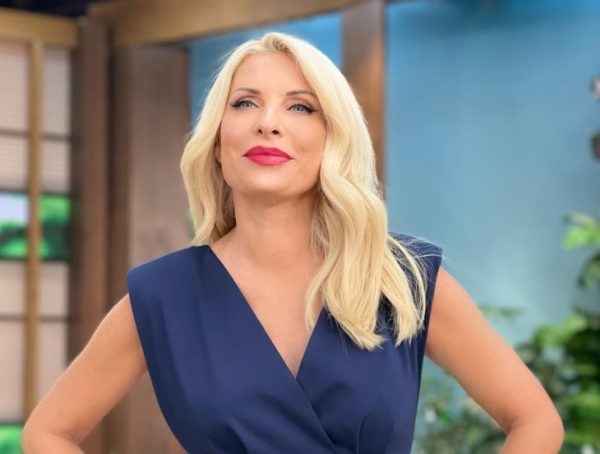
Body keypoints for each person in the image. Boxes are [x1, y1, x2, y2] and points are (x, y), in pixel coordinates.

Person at [22, 32, 564, 453]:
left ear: (332, 139)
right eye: (245, 103)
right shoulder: (163, 296)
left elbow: (535, 420)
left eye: (300, 107)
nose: (268, 124)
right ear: (216, 142)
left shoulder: (404, 278)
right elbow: (47, 432)